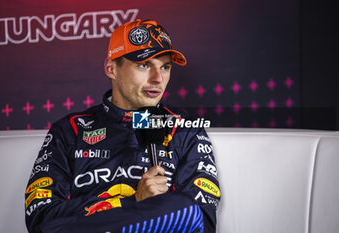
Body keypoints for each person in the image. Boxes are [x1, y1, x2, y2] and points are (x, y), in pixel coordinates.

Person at [25, 19, 220, 233]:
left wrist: (154, 210)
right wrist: (132, 202)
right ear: (111, 68)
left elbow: (200, 221)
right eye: (144, 65)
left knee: (185, 209)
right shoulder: (69, 130)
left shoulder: (184, 129)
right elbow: (40, 218)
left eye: (165, 67)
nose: (158, 79)